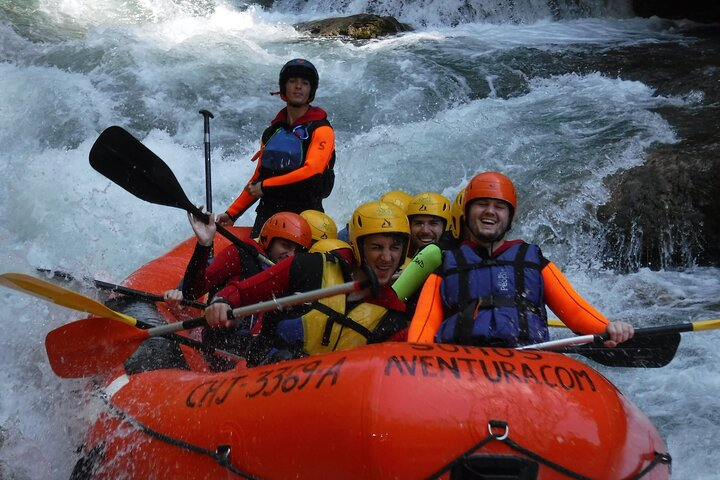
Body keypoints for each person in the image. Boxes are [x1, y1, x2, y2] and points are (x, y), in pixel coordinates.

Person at [409, 171, 634, 348]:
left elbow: (574, 310)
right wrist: (416, 358)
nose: (490, 212)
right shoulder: (446, 266)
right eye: (481, 204)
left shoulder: (533, 262)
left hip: (525, 365)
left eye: (499, 207)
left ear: (509, 218)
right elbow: (424, 325)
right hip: (463, 366)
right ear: (466, 213)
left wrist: (609, 327)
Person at [203, 201, 411, 365]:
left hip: (330, 402)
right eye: (376, 247)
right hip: (268, 379)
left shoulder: (394, 318)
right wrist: (223, 301)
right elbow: (246, 291)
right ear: (358, 247)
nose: (386, 257)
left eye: (394, 248)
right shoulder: (311, 267)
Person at [216, 59, 336, 236]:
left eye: (305, 83)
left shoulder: (322, 129)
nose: (298, 87)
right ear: (284, 88)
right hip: (269, 212)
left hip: (306, 214)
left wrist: (266, 185)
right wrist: (231, 213)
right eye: (293, 81)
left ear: (311, 91)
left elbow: (312, 170)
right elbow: (258, 177)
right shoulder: (272, 131)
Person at [406, 192, 453, 256]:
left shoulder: (457, 260)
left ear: (446, 227)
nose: (425, 231)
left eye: (433, 223)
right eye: (418, 223)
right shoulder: (397, 258)